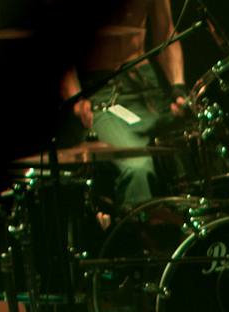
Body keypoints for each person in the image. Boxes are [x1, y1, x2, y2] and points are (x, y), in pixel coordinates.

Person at [58, 1, 188, 211]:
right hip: (100, 88)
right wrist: (75, 99)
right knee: (136, 167)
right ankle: (138, 229)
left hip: (147, 81)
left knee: (192, 145)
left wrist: (178, 86)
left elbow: (166, 31)